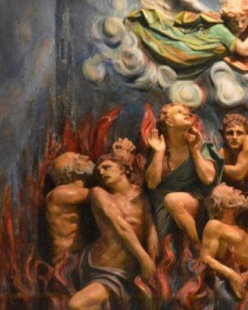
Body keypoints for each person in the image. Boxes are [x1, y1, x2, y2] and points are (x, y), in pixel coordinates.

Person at [69, 154, 157, 310]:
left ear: (123, 169)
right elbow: (120, 226)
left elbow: (150, 231)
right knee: (77, 305)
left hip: (131, 271)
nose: (102, 172)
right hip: (104, 269)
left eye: (107, 167)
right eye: (99, 171)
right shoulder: (99, 194)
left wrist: (152, 261)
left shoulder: (142, 196)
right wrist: (144, 259)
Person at [145, 103, 223, 245]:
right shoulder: (159, 149)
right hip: (162, 208)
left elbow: (208, 178)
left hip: (193, 203)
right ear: (169, 122)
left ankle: (198, 248)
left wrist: (194, 151)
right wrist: (159, 152)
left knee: (173, 200)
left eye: (188, 113)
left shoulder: (200, 145)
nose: (187, 114)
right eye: (180, 112)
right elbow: (152, 183)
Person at [127, 0, 248, 75]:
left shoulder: (222, 27)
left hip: (187, 52)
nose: (240, 26)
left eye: (244, 21)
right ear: (228, 19)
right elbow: (245, 51)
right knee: (159, 42)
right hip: (183, 51)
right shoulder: (222, 30)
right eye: (235, 21)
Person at [198, 183, 248, 300]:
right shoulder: (215, 226)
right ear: (227, 203)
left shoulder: (242, 224)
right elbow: (205, 258)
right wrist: (231, 275)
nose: (240, 191)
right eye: (233, 191)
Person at [46, 152, 95, 264]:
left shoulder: (75, 192)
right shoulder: (61, 194)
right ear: (72, 171)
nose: (86, 157)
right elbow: (99, 194)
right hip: (66, 260)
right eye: (79, 158)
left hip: (79, 255)